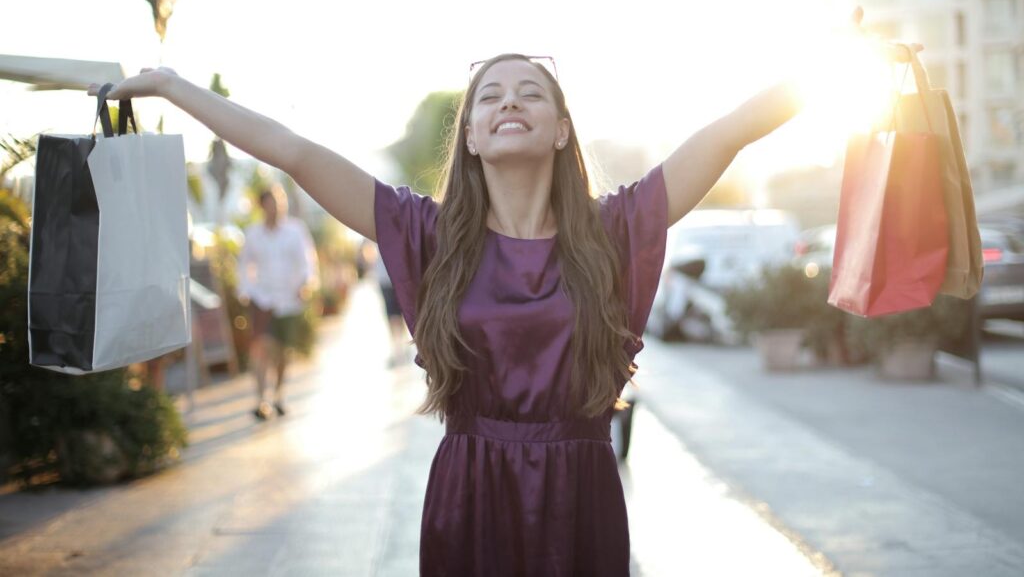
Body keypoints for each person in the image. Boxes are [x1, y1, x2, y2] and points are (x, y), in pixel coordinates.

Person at [89, 30, 917, 575]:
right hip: (470, 486)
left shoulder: (615, 229)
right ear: (473, 137)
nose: (509, 101)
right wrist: (174, 88)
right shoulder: (425, 237)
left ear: (561, 130)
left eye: (531, 93)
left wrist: (846, 66)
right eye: (490, 96)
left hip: (583, 488)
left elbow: (727, 131)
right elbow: (298, 154)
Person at [237, 184, 319, 420]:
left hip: (289, 301)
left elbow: (307, 262)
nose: (275, 208)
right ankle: (261, 400)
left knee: (282, 353)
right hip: (263, 301)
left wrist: (305, 284)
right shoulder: (253, 234)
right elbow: (244, 266)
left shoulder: (295, 230)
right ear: (262, 206)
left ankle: (279, 395)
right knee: (261, 348)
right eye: (270, 203)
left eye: (278, 203)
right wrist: (248, 291)